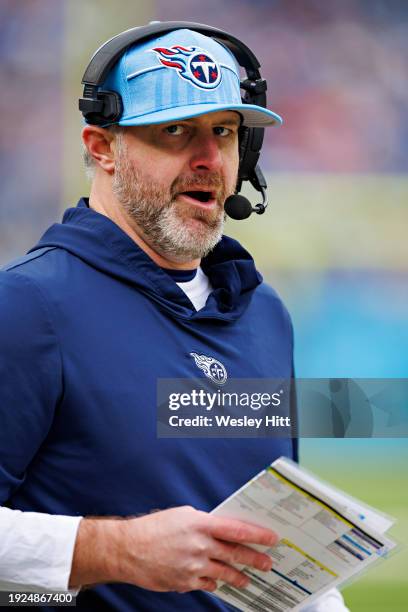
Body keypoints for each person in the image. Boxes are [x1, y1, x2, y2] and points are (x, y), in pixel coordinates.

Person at [0, 23, 349, 611]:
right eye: (175, 131)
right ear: (102, 147)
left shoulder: (263, 313)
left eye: (225, 132)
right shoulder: (28, 307)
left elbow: (269, 549)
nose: (209, 157)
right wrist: (116, 550)